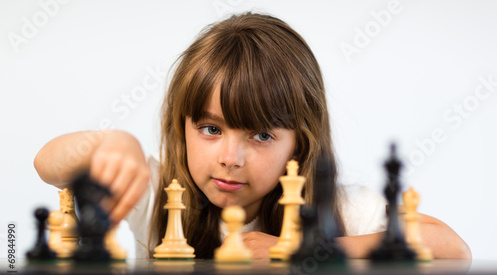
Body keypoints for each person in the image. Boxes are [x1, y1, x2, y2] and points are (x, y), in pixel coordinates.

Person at [34, 13, 471, 260]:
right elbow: (47, 163)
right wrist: (110, 144)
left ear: (298, 142)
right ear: (180, 126)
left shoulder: (338, 210)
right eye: (209, 128)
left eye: (261, 134)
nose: (230, 157)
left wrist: (300, 253)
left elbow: (454, 250)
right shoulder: (156, 194)